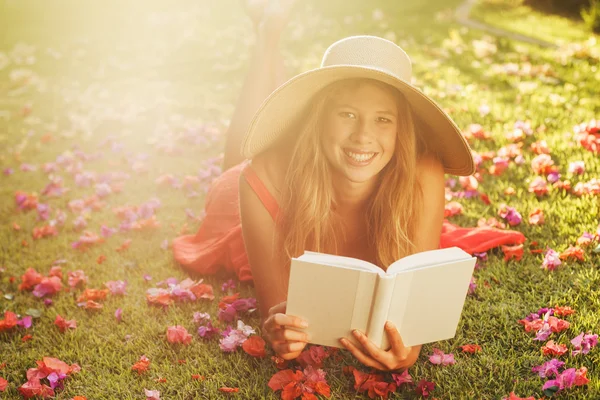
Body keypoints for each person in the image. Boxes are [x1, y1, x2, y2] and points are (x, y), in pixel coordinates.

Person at [173, 0, 475, 371]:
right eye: (347, 114)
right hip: (258, 199)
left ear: (402, 130)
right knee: (240, 159)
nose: (364, 136)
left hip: (308, 178)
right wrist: (281, 333)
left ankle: (270, 32)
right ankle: (267, 37)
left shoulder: (422, 170)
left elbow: (409, 311)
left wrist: (406, 350)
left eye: (383, 119)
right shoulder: (261, 179)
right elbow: (277, 315)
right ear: (319, 120)